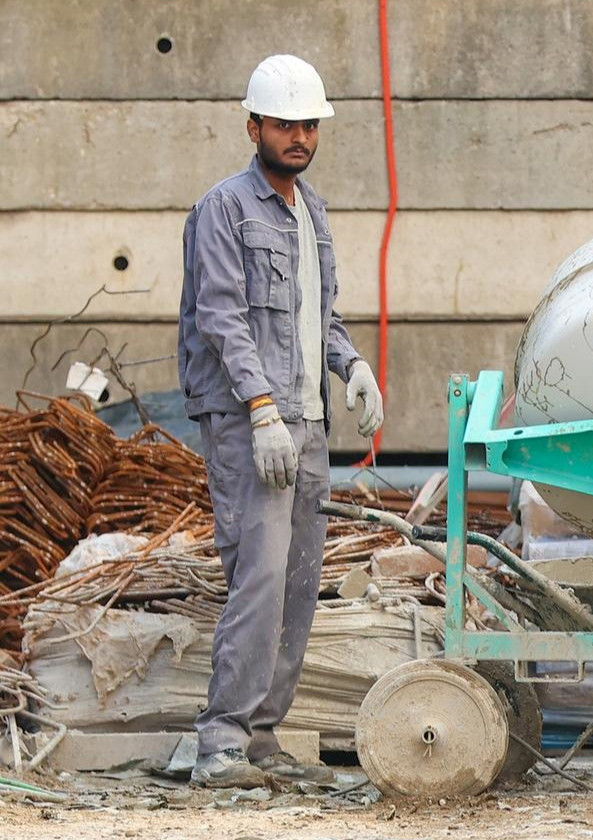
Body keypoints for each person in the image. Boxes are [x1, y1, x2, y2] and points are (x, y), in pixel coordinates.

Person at [178, 54, 384, 787]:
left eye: (308, 124)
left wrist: (351, 366)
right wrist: (262, 410)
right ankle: (221, 744)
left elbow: (320, 316)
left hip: (306, 419)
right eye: (284, 123)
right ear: (253, 126)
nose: (298, 136)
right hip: (249, 422)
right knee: (259, 578)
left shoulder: (312, 212)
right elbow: (223, 318)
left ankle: (262, 739)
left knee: (299, 583)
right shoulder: (223, 209)